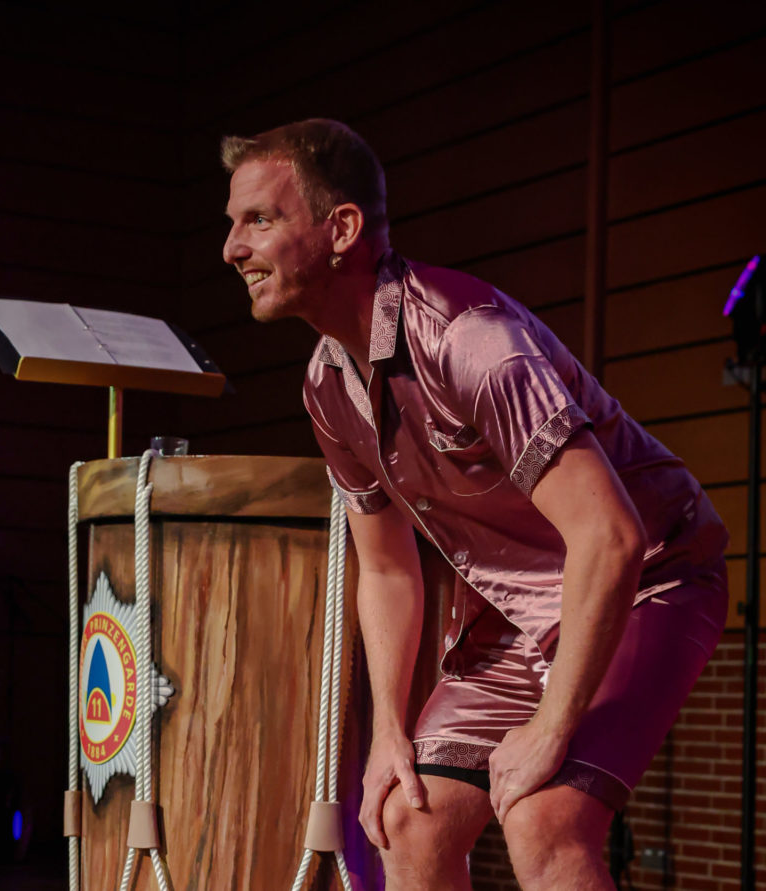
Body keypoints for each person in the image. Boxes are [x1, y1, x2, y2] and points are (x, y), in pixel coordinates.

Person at [220, 119, 729, 889]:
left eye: (259, 219)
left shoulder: (469, 339)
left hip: (647, 577)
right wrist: (389, 733)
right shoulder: (326, 384)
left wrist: (553, 724)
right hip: (520, 615)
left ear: (342, 229)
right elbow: (389, 571)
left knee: (543, 818)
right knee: (406, 815)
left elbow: (611, 536)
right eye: (233, 223)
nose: (232, 248)